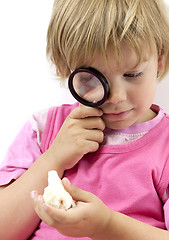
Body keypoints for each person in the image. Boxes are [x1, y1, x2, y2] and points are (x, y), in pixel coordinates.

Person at [0, 0, 169, 239]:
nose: (116, 97)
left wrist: (107, 226)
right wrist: (54, 158)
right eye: (92, 78)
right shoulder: (44, 130)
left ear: (160, 58)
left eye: (132, 74)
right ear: (65, 68)